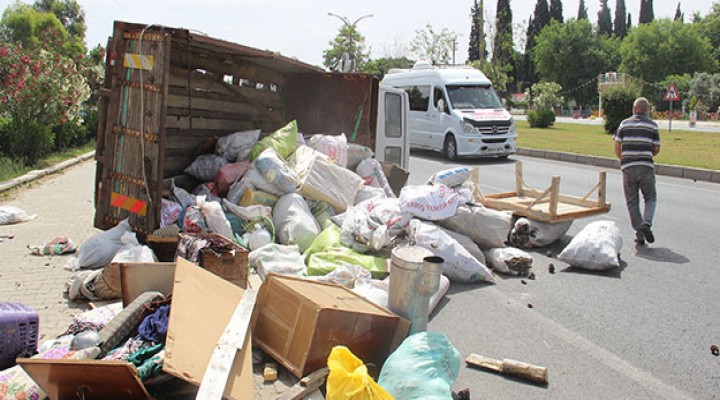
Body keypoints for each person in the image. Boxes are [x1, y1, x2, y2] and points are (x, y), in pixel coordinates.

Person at [614, 97, 661, 245]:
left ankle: (639, 232)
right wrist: (647, 154)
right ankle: (646, 223)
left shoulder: (624, 124)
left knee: (632, 202)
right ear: (647, 110)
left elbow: (617, 146)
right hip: (646, 166)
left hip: (628, 168)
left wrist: (623, 158)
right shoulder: (652, 125)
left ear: (634, 109)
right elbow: (657, 148)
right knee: (650, 198)